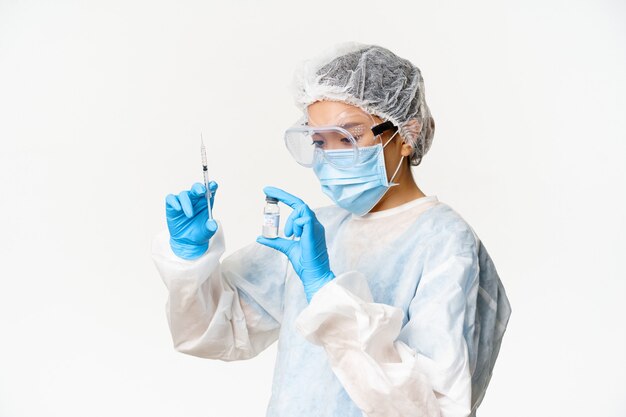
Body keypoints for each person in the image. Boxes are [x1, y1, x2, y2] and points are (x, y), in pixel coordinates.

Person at [151, 42, 512, 417]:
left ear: (406, 135)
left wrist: (326, 290)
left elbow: (433, 406)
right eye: (320, 141)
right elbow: (220, 333)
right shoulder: (318, 229)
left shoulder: (445, 243)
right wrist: (191, 261)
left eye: (349, 137)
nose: (333, 155)